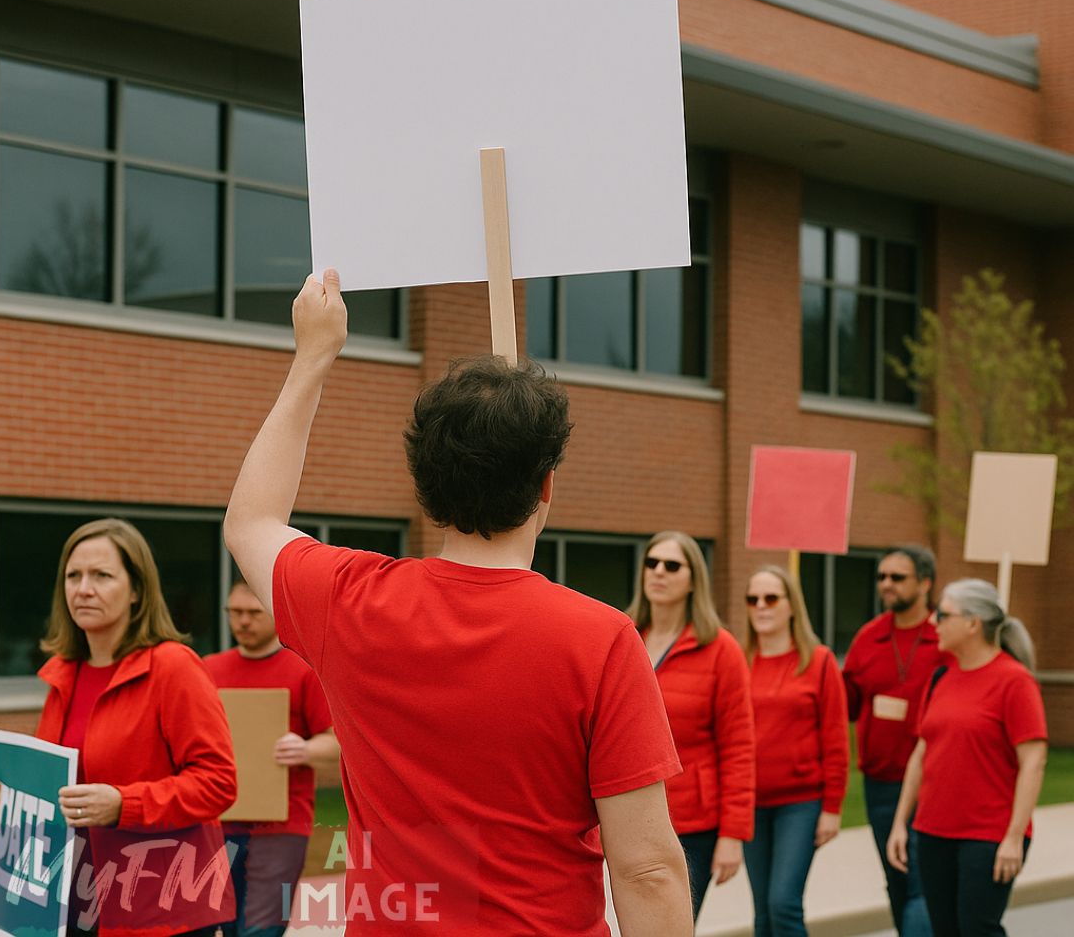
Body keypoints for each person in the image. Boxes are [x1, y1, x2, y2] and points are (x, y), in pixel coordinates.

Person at [222, 269, 693, 936]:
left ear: (424, 486)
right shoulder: (603, 639)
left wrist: (314, 356)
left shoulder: (348, 601)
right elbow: (647, 869)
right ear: (547, 484)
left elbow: (250, 524)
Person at [35, 517, 237, 937]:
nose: (83, 588)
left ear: (136, 591)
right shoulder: (61, 675)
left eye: (102, 575)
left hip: (160, 908)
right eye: (73, 575)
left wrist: (123, 805)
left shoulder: (173, 666)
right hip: (72, 904)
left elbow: (217, 783)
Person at [888, 579, 1048, 937]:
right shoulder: (941, 677)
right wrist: (901, 823)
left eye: (943, 615)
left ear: (973, 623)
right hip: (932, 830)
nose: (933, 623)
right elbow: (921, 754)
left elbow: (1033, 762)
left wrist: (1013, 836)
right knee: (944, 929)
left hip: (988, 834)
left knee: (977, 929)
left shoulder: (1014, 682)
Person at [625, 530, 755, 920]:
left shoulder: (721, 649)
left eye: (671, 565)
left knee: (672, 924)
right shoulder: (625, 639)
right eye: (651, 562)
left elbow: (739, 747)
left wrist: (733, 834)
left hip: (691, 822)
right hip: (627, 816)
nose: (658, 572)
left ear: (693, 579)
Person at [205, 578, 340, 937]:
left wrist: (305, 749)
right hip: (219, 821)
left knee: (262, 929)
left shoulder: (303, 671)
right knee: (227, 927)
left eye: (253, 613)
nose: (243, 622)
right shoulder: (208, 670)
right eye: (235, 613)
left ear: (275, 615)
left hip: (283, 825)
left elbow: (338, 743)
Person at [842, 545, 946, 936]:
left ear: (925, 583)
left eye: (897, 577)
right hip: (881, 783)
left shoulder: (944, 636)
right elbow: (847, 703)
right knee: (897, 877)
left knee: (923, 880)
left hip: (934, 782)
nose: (886, 584)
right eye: (881, 576)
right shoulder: (869, 637)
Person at [743, 564, 848, 937]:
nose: (761, 606)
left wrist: (832, 809)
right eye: (753, 599)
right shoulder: (740, 662)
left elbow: (836, 739)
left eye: (771, 598)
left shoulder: (818, 661)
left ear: (791, 605)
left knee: (783, 903)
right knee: (762, 915)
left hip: (800, 804)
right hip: (751, 803)